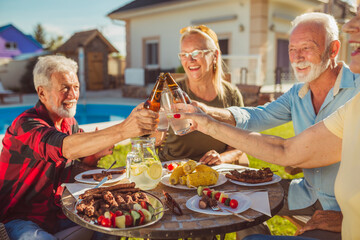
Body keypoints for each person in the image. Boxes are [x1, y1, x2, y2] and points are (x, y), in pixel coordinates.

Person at [175, 6, 360, 240]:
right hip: (305, 193)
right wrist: (207, 111)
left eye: (306, 48)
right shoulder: (297, 94)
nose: (296, 57)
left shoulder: (357, 91)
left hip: (342, 210)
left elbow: (286, 152)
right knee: (238, 198)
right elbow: (257, 117)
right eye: (292, 49)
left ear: (333, 49)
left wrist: (349, 216)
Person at [0, 55, 158, 240]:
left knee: (112, 223)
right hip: (21, 219)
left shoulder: (69, 123)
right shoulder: (26, 125)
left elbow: (75, 164)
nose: (73, 95)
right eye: (65, 88)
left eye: (76, 87)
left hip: (60, 211)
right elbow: (65, 148)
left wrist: (91, 158)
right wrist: (125, 129)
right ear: (42, 93)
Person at [157, 25, 248, 166]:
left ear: (215, 55)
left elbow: (240, 145)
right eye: (184, 54)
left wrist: (221, 158)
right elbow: (155, 140)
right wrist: (157, 124)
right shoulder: (168, 92)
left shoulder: (232, 94)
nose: (190, 60)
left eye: (196, 52)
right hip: (173, 168)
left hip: (214, 171)